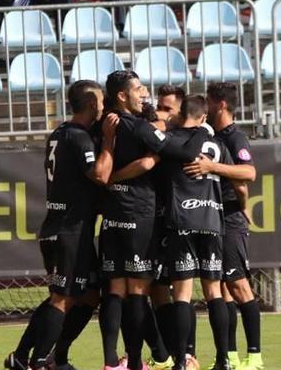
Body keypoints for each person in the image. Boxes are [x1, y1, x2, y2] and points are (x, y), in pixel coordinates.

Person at [4, 80, 117, 370]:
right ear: (92, 104)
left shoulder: (60, 133)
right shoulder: (79, 138)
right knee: (63, 299)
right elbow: (101, 175)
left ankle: (26, 356)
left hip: (66, 229)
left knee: (88, 296)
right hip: (69, 231)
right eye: (102, 102)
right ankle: (39, 362)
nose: (104, 108)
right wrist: (108, 140)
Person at [99, 71, 205, 370]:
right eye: (139, 88)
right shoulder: (138, 127)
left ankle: (111, 361)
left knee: (115, 289)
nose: (144, 93)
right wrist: (200, 128)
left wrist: (116, 177)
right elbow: (183, 151)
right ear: (122, 95)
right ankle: (134, 362)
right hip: (139, 212)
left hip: (112, 214)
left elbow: (105, 169)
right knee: (138, 291)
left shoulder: (105, 122)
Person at [183, 83, 262, 370]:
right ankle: (228, 357)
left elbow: (248, 173)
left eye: (210, 101)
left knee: (239, 287)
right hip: (214, 216)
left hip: (229, 218)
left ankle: (254, 358)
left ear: (221, 105)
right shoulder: (211, 136)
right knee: (223, 290)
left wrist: (212, 168)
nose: (206, 105)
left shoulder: (234, 137)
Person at [158, 95, 234, 370]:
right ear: (204, 117)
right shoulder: (217, 144)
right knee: (215, 291)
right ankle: (223, 359)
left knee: (182, 294)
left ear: (183, 114)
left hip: (182, 218)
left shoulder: (172, 140)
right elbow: (232, 178)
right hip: (212, 219)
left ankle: (181, 360)